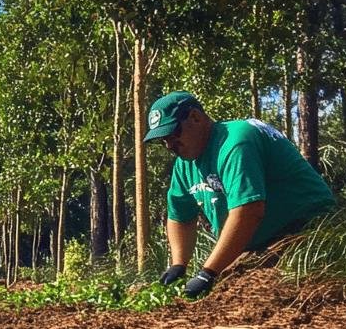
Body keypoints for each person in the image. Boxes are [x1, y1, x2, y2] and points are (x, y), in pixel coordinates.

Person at [144, 91, 335, 298]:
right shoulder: (184, 164)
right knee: (227, 290)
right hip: (261, 244)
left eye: (173, 134)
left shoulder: (235, 141)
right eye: (163, 140)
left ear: (195, 117)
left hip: (309, 233)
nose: (170, 145)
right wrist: (178, 265)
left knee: (260, 296)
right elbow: (180, 217)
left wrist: (207, 273)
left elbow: (249, 211)